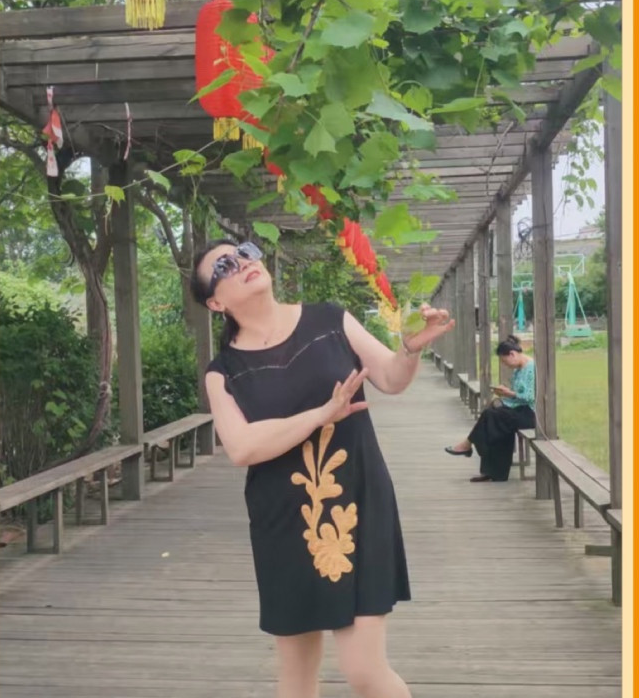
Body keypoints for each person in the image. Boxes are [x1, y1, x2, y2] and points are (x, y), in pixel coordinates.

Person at [191, 238, 455, 698]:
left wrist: (409, 349)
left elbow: (390, 377)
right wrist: (320, 415)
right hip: (283, 521)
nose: (243, 263)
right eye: (225, 266)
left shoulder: (330, 320)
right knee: (296, 679)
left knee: (364, 671)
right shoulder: (223, 371)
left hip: (358, 502)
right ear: (215, 303)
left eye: (244, 253)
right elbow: (242, 447)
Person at [444, 335, 535, 482]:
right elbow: (516, 396)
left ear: (512, 354)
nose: (506, 365)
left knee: (490, 416)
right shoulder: (518, 370)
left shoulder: (531, 368)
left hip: (529, 413)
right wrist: (504, 395)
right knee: (492, 421)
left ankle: (468, 445)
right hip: (517, 409)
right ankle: (491, 471)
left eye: (505, 361)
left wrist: (509, 393)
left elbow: (530, 397)